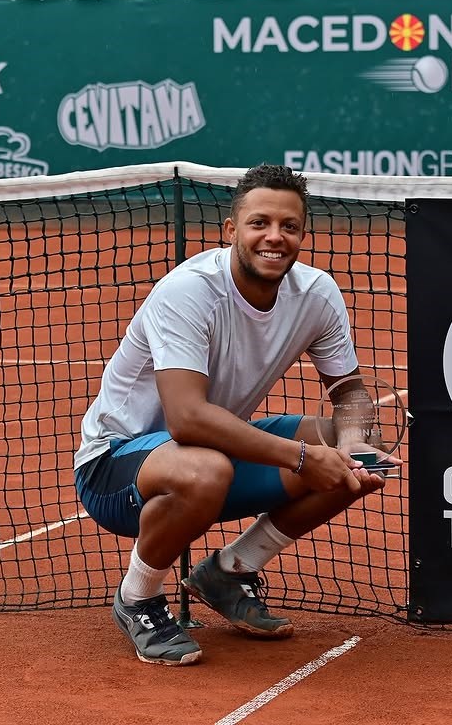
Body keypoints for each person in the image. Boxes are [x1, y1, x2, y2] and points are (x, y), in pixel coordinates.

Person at [73, 163, 397, 666]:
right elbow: (186, 420)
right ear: (231, 231)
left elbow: (350, 392)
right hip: (115, 467)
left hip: (211, 457)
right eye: (259, 223)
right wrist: (300, 457)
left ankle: (229, 571)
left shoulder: (317, 295)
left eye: (289, 226)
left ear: (302, 233)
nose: (275, 237)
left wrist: (354, 442)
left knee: (354, 460)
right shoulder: (191, 290)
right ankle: (137, 598)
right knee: (208, 468)